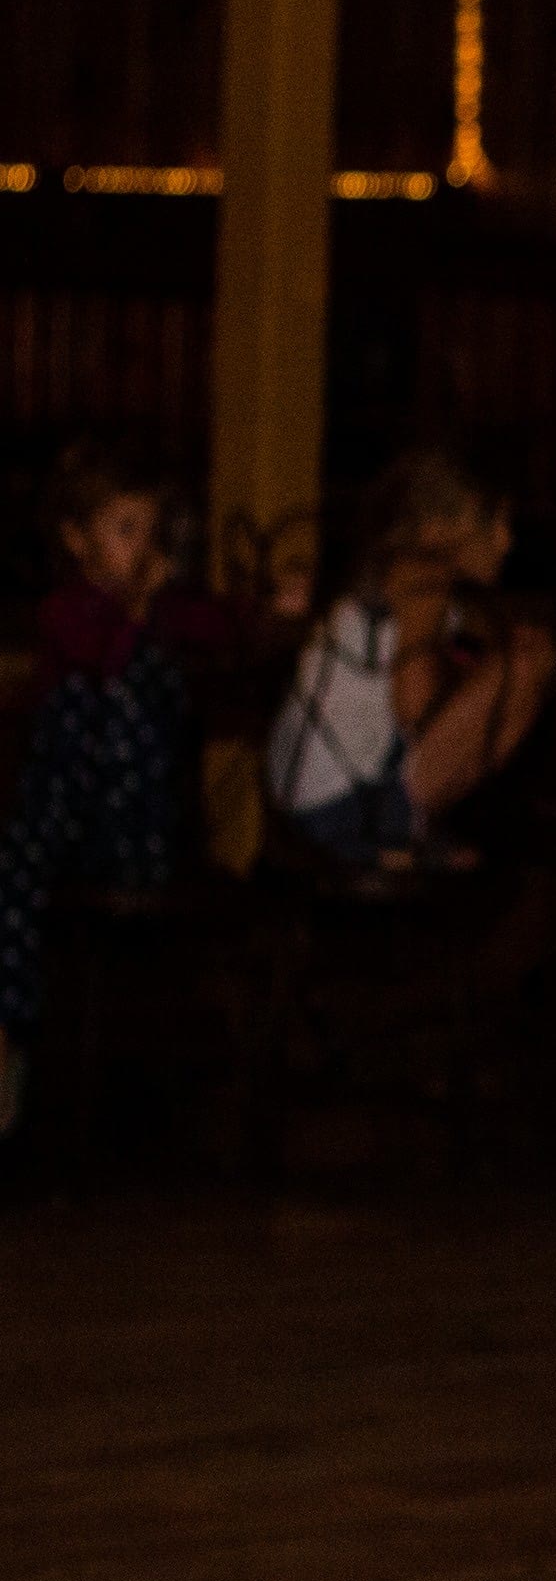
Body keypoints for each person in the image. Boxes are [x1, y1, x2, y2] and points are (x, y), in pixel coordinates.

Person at [0, 445, 198, 1136]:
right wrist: (138, 614)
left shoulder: (162, 614)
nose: (141, 548)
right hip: (67, 823)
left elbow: (209, 633)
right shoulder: (67, 614)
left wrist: (259, 610)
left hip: (139, 825)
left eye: (149, 531)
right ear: (76, 539)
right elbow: (99, 660)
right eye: (124, 529)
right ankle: (10, 1044)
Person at [266, 449, 556, 871]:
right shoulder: (424, 583)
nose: (506, 541)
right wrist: (471, 685)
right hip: (342, 807)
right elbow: (415, 706)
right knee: (527, 663)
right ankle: (404, 832)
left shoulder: (389, 569)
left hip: (296, 796)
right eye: (494, 523)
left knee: (521, 652)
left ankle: (412, 827)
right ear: (441, 528)